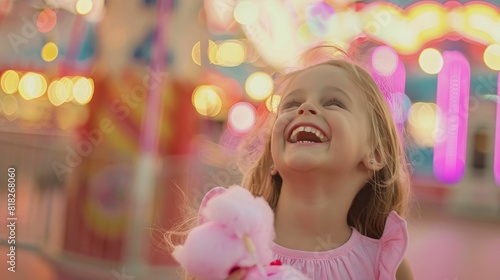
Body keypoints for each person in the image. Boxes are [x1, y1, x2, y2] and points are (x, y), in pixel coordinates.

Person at [171, 47, 414, 280]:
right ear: (271, 158)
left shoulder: (382, 266)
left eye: (333, 102)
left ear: (376, 153)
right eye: (291, 104)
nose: (305, 108)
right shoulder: (231, 242)